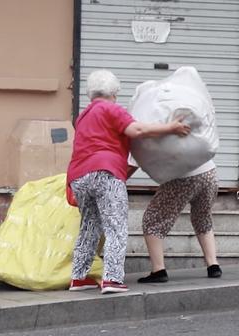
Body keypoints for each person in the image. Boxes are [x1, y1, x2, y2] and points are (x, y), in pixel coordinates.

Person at [66, 69, 190, 294]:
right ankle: (112, 279)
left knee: (89, 226)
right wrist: (170, 128)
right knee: (115, 226)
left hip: (79, 177)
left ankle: (79, 277)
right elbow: (137, 130)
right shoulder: (111, 109)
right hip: (105, 172)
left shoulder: (83, 115)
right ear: (113, 92)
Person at [131, 159, 222, 283]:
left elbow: (131, 164)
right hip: (210, 173)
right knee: (202, 216)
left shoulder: (139, 139)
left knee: (152, 220)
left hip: (183, 177)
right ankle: (213, 265)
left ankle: (158, 270)